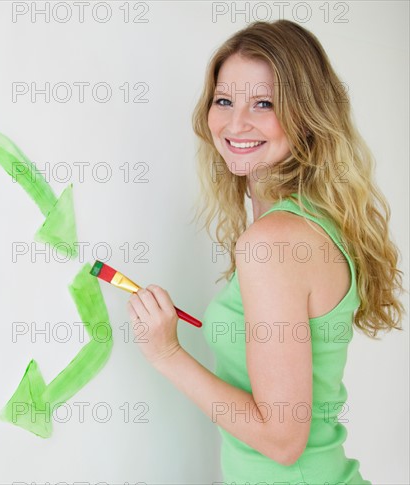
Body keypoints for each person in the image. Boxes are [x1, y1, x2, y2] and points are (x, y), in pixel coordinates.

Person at [126, 19, 406, 484]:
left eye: (263, 103)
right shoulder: (309, 224)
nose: (236, 122)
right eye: (224, 100)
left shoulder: (272, 244)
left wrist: (166, 353)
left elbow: (281, 440)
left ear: (306, 114)